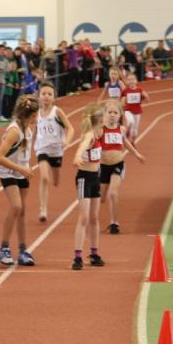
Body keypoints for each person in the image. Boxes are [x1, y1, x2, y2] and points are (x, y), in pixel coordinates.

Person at [0, 95, 39, 266]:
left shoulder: (28, 128)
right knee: (16, 206)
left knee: (22, 211)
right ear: (33, 115)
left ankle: (23, 249)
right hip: (8, 171)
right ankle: (4, 247)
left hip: (22, 171)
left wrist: (25, 167)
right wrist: (21, 169)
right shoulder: (14, 131)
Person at [98, 100, 145, 235]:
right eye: (110, 112)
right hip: (103, 166)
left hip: (118, 165)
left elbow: (125, 143)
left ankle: (114, 223)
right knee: (101, 198)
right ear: (104, 114)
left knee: (113, 193)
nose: (112, 115)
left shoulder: (121, 129)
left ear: (120, 115)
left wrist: (137, 154)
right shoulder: (100, 130)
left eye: (115, 112)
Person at [71, 103, 105, 270]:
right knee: (83, 217)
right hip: (84, 178)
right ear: (100, 120)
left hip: (95, 178)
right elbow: (83, 146)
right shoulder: (90, 135)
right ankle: (77, 256)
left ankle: (94, 253)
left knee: (94, 217)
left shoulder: (99, 133)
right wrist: (77, 156)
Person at [35, 82, 74, 222]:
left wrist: (67, 141)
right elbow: (35, 130)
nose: (46, 96)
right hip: (42, 149)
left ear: (54, 98)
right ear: (39, 96)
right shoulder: (37, 113)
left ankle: (56, 175)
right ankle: (43, 209)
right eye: (43, 94)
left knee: (56, 181)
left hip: (57, 150)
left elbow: (70, 128)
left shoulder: (57, 112)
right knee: (45, 177)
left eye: (49, 94)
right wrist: (27, 146)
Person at [120, 73, 148, 141]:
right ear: (127, 81)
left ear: (136, 81)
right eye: (129, 80)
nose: (131, 81)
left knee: (135, 128)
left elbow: (147, 100)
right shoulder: (125, 91)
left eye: (133, 79)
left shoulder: (140, 90)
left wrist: (146, 96)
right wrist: (122, 107)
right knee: (131, 121)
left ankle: (133, 141)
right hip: (128, 110)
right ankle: (128, 130)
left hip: (137, 111)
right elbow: (122, 102)